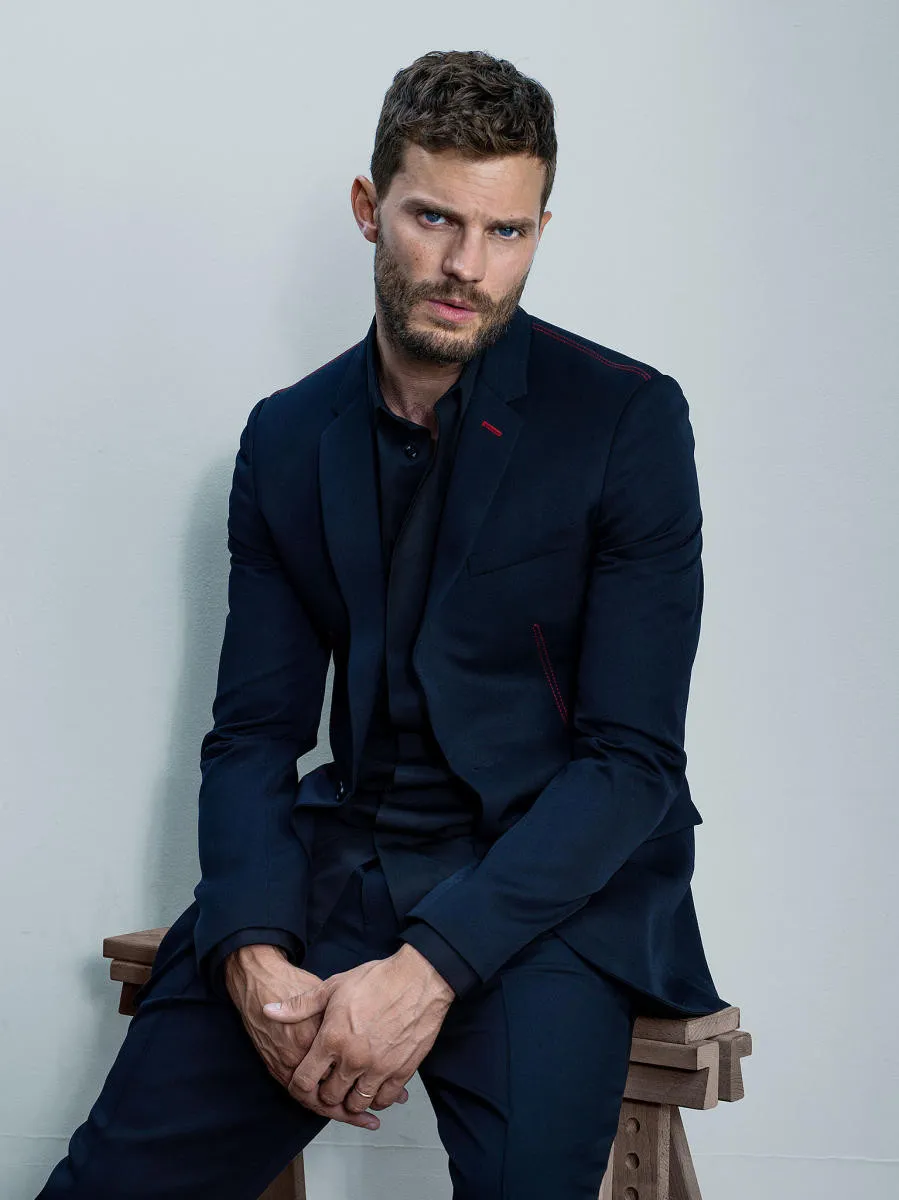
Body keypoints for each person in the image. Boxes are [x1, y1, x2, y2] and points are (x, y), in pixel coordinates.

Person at [39, 48, 729, 1200]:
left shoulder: (625, 420)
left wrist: (428, 968)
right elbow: (253, 737)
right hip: (343, 861)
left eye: (505, 231)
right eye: (434, 218)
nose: (467, 266)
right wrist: (250, 946)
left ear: (540, 230)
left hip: (548, 893)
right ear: (369, 208)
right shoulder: (286, 438)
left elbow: (630, 765)